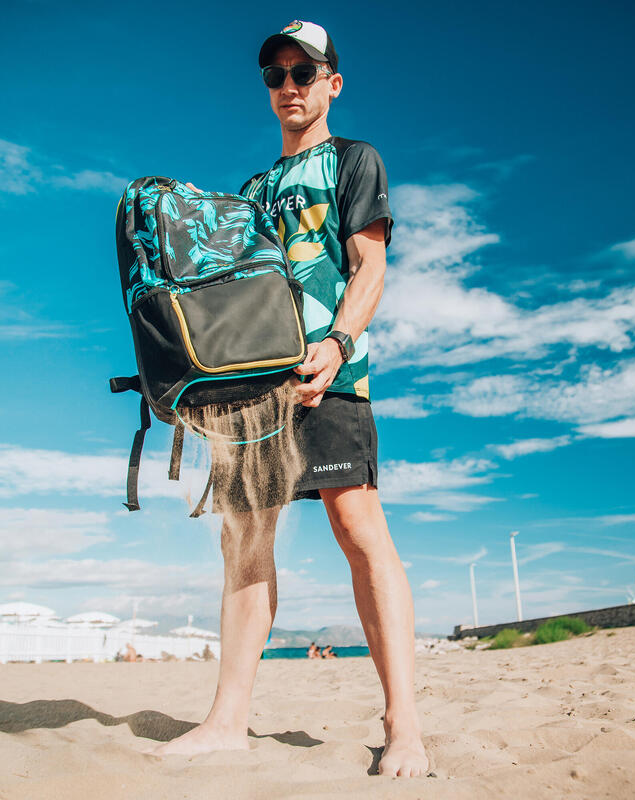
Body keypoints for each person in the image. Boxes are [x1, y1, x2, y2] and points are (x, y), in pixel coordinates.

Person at [146, 20, 428, 778]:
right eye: (275, 74)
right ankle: (227, 721)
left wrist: (336, 343)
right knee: (244, 539)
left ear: (333, 82)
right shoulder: (246, 195)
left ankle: (403, 724)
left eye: (304, 72)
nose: (289, 86)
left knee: (356, 522)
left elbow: (370, 266)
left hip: (330, 373)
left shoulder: (352, 160)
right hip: (254, 392)